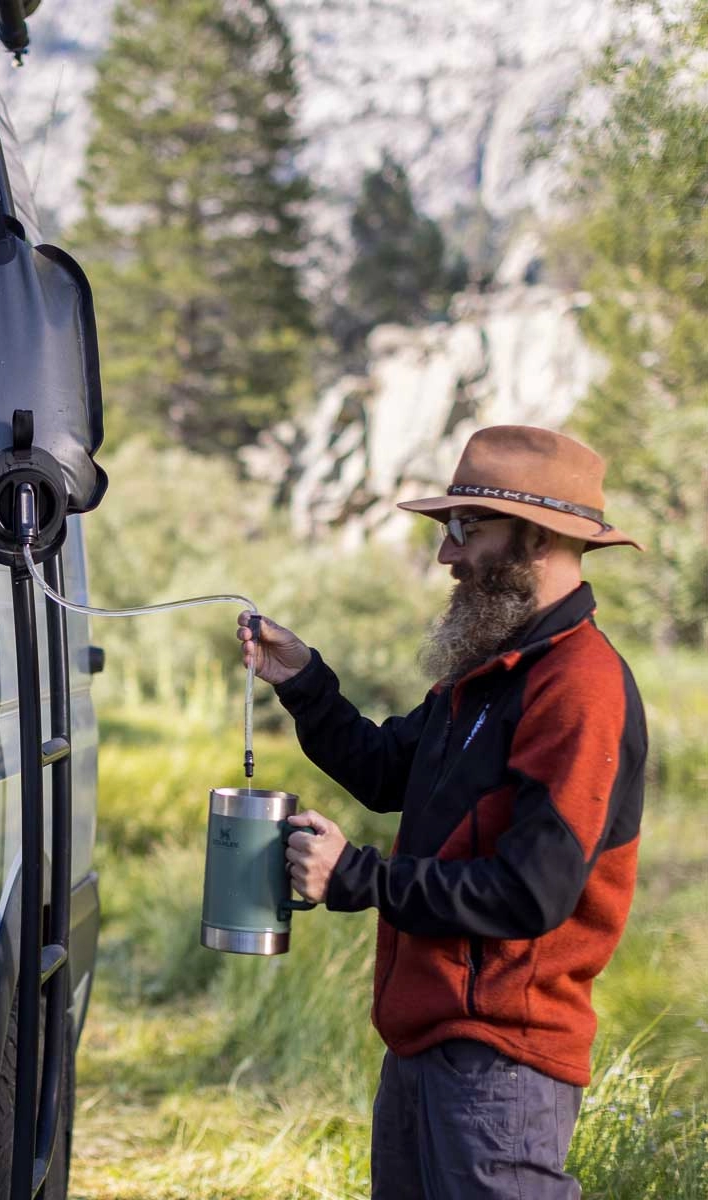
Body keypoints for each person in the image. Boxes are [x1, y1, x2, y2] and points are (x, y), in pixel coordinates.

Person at [237, 425, 647, 1200]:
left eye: (467, 528)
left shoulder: (578, 685)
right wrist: (303, 682)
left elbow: (530, 893)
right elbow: (388, 772)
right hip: (428, 1046)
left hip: (503, 1064)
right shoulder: (490, 673)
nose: (446, 556)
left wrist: (358, 877)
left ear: (538, 539)